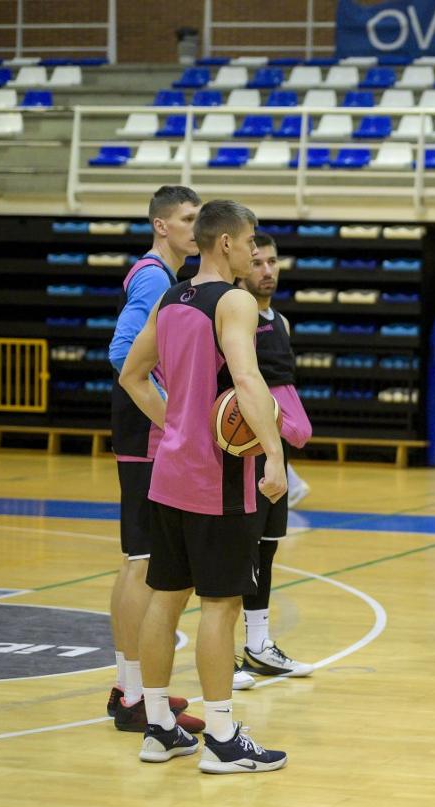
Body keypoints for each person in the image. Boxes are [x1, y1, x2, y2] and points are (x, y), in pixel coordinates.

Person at [119, 199, 288, 773]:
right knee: (221, 604)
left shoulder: (171, 298)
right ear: (227, 244)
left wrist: (176, 425)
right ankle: (220, 736)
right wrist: (273, 455)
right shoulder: (234, 300)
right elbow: (247, 379)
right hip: (219, 479)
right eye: (249, 242)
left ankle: (158, 727)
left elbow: (132, 375)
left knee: (165, 598)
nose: (253, 252)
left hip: (169, 472)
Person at [106, 185, 204, 734]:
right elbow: (124, 353)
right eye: (188, 219)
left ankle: (130, 687)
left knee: (136, 559)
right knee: (143, 561)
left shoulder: (161, 276)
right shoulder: (154, 278)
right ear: (161, 226)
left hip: (139, 426)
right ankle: (134, 696)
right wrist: (172, 417)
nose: (196, 227)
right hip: (145, 428)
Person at [234, 233, 315, 684]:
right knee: (238, 552)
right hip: (244, 452)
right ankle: (222, 655)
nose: (267, 270)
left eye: (272, 261)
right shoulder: (236, 315)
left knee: (266, 549)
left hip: (274, 451)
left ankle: (259, 646)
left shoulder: (280, 321)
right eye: (257, 262)